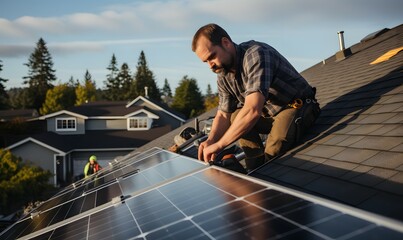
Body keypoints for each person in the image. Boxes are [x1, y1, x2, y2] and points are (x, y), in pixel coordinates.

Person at [193, 23, 320, 171]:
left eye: (212, 57)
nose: (210, 65)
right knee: (235, 116)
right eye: (206, 62)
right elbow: (223, 114)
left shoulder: (256, 55)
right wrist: (211, 140)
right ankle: (255, 168)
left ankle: (265, 169)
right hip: (268, 115)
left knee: (274, 149)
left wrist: (220, 145)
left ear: (226, 43)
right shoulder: (223, 73)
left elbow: (252, 110)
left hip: (295, 106)